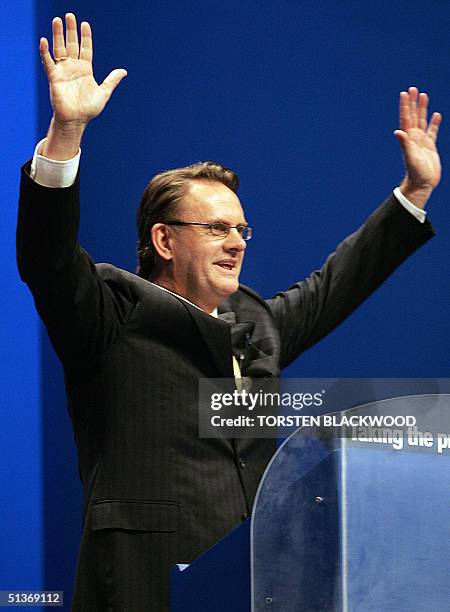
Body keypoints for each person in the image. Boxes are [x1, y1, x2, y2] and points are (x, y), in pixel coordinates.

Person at [17, 12, 442, 612]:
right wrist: (66, 134)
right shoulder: (110, 314)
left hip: (257, 581)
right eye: (217, 228)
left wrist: (414, 195)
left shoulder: (256, 324)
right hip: (146, 586)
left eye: (242, 229)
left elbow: (337, 284)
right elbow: (47, 257)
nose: (238, 242)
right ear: (164, 241)